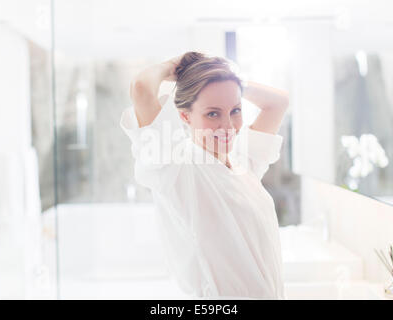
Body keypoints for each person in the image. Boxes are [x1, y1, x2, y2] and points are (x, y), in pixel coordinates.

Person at [120, 51, 289, 299]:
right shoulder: (177, 166)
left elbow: (278, 102)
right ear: (185, 116)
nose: (228, 126)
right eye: (213, 113)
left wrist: (229, 81)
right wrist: (172, 66)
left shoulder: (243, 161)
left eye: (235, 110)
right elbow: (142, 87)